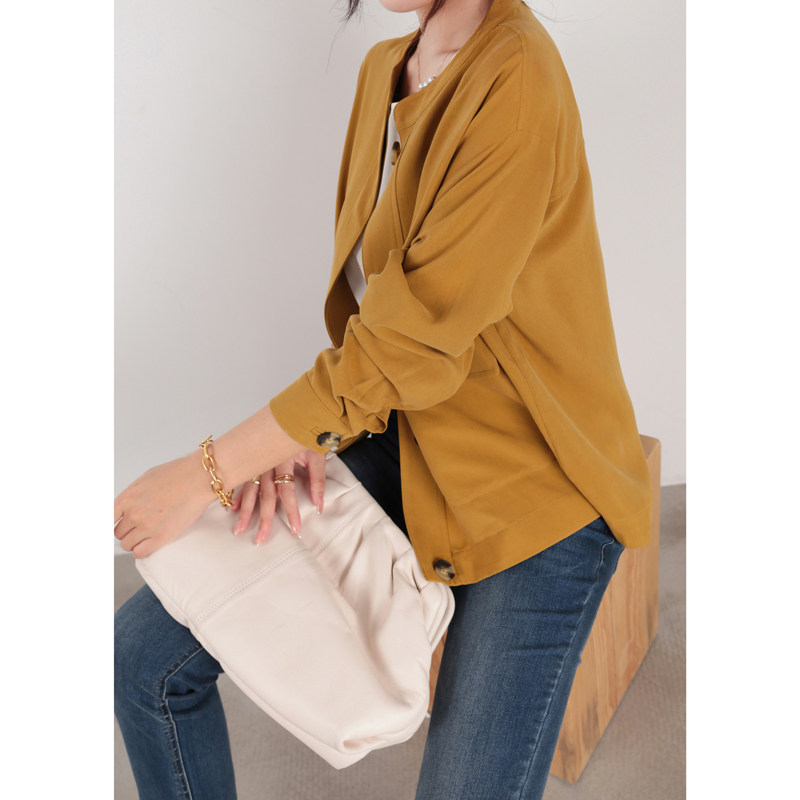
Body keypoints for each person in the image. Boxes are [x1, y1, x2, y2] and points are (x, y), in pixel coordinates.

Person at [114, 0, 653, 797]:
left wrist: (208, 471)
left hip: (533, 489)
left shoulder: (518, 78)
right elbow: (380, 321)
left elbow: (409, 345)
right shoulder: (384, 74)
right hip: (410, 438)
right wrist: (303, 435)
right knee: (143, 662)